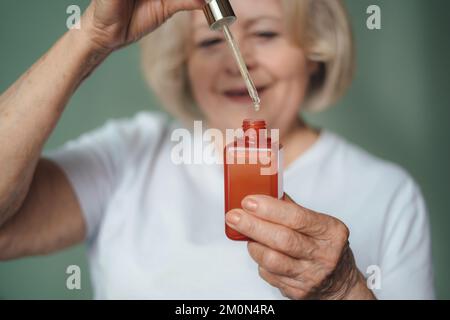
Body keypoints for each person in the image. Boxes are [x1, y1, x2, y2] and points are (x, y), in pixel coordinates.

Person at [0, 0, 434, 299]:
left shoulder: (388, 192)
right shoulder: (130, 154)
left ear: (315, 50)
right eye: (211, 42)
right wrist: (90, 38)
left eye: (265, 33)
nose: (236, 61)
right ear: (182, 66)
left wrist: (342, 291)